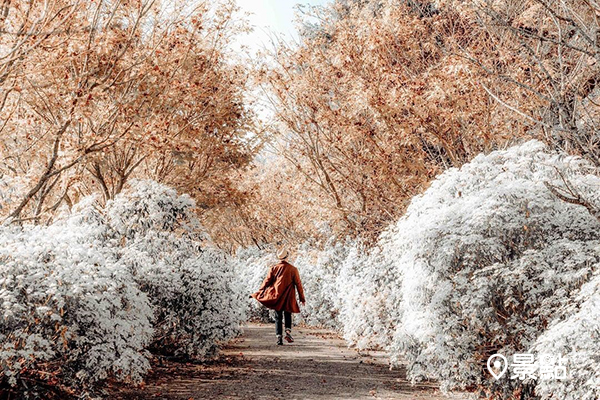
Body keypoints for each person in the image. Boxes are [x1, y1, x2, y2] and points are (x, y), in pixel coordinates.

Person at [251, 247, 306, 345]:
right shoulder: (293, 269)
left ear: (279, 258)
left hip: (277, 295)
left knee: (278, 317)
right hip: (289, 297)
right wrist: (302, 298)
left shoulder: (273, 268)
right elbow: (298, 284)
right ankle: (288, 332)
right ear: (287, 256)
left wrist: (260, 292)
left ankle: (279, 337)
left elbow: (266, 281)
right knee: (288, 314)